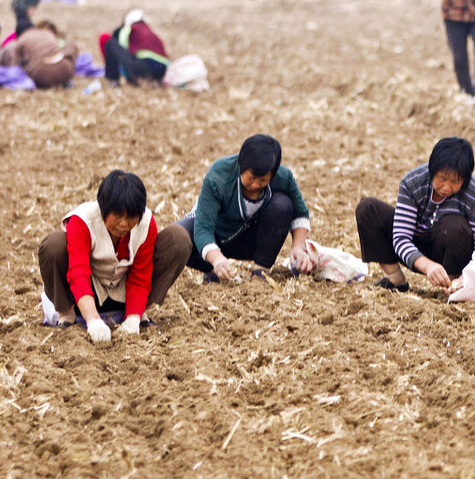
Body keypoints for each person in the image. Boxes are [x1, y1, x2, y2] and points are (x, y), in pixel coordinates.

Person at [38, 170, 192, 345]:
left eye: (131, 217)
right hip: (85, 294)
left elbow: (141, 275)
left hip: (123, 291)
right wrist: (93, 320)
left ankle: (138, 314)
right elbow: (78, 273)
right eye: (118, 215)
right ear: (103, 208)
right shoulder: (83, 220)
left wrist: (133, 318)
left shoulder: (145, 223)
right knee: (53, 244)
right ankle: (67, 316)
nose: (124, 224)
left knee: (178, 239)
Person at [355, 136, 475, 294]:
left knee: (454, 226)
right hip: (417, 245)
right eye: (442, 179)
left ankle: (452, 284)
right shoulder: (413, 183)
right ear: (432, 169)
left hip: (452, 248)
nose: (447, 187)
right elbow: (401, 237)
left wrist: (466, 277)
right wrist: (427, 266)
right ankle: (395, 279)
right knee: (368, 209)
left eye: (455, 182)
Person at [176, 134, 315, 283]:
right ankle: (213, 272)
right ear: (241, 165)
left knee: (283, 204)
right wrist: (216, 258)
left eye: (263, 180)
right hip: (215, 236)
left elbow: (300, 213)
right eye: (251, 178)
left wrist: (298, 247)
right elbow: (203, 227)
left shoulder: (283, 177)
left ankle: (261, 271)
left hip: (251, 240)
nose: (255, 185)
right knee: (179, 239)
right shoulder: (218, 176)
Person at [0, 20, 77, 88]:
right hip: (66, 70)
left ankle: (47, 83)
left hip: (42, 74)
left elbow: (16, 69)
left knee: (28, 68)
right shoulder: (47, 33)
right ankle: (64, 82)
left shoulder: (20, 41)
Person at [101, 9, 170, 86]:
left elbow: (123, 45)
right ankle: (154, 82)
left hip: (145, 66)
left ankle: (114, 80)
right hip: (162, 69)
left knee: (111, 44)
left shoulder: (130, 28)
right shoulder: (151, 32)